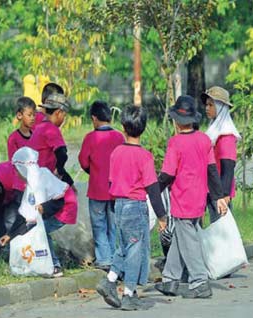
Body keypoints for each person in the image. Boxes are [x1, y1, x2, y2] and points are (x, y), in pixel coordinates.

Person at [155, 95, 228, 299]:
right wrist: (219, 196)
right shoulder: (204, 139)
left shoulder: (175, 143)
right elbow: (212, 170)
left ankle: (199, 281)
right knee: (181, 238)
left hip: (182, 199)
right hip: (198, 199)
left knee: (190, 241)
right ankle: (170, 280)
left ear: (177, 121)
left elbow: (168, 174)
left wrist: (153, 190)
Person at [96, 106, 167, 311]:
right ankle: (128, 294)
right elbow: (153, 189)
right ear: (144, 128)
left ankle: (109, 281)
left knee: (124, 247)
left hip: (118, 205)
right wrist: (162, 215)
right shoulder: (144, 156)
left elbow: (111, 183)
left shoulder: (116, 152)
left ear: (123, 127)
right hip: (136, 207)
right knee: (135, 251)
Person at [8, 147, 78, 278]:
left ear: (24, 168)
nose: (16, 174)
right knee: (35, 229)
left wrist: (44, 207)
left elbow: (59, 201)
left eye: (17, 170)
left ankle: (54, 265)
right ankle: (41, 262)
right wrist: (10, 234)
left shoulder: (43, 176)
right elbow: (24, 214)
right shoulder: (30, 185)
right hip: (55, 207)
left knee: (41, 231)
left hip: (65, 207)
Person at [78, 100, 124, 271]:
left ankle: (104, 259)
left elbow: (83, 161)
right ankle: (113, 257)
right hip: (115, 190)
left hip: (97, 189)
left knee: (99, 225)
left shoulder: (90, 138)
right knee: (113, 225)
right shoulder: (119, 137)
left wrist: (93, 171)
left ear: (94, 118)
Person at [201, 86, 241, 223]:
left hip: (219, 192)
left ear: (221, 107)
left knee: (221, 230)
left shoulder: (226, 135)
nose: (207, 108)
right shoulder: (214, 130)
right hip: (211, 188)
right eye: (206, 104)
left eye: (211, 105)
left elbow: (228, 167)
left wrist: (223, 196)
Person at [28, 93, 74, 186]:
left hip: (34, 176)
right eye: (64, 116)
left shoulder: (39, 127)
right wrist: (59, 172)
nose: (63, 120)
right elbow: (62, 153)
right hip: (45, 179)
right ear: (58, 113)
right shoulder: (51, 129)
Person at [7, 97, 36, 161]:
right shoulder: (13, 139)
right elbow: (13, 162)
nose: (32, 118)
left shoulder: (36, 136)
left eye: (34, 115)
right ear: (19, 115)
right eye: (29, 115)